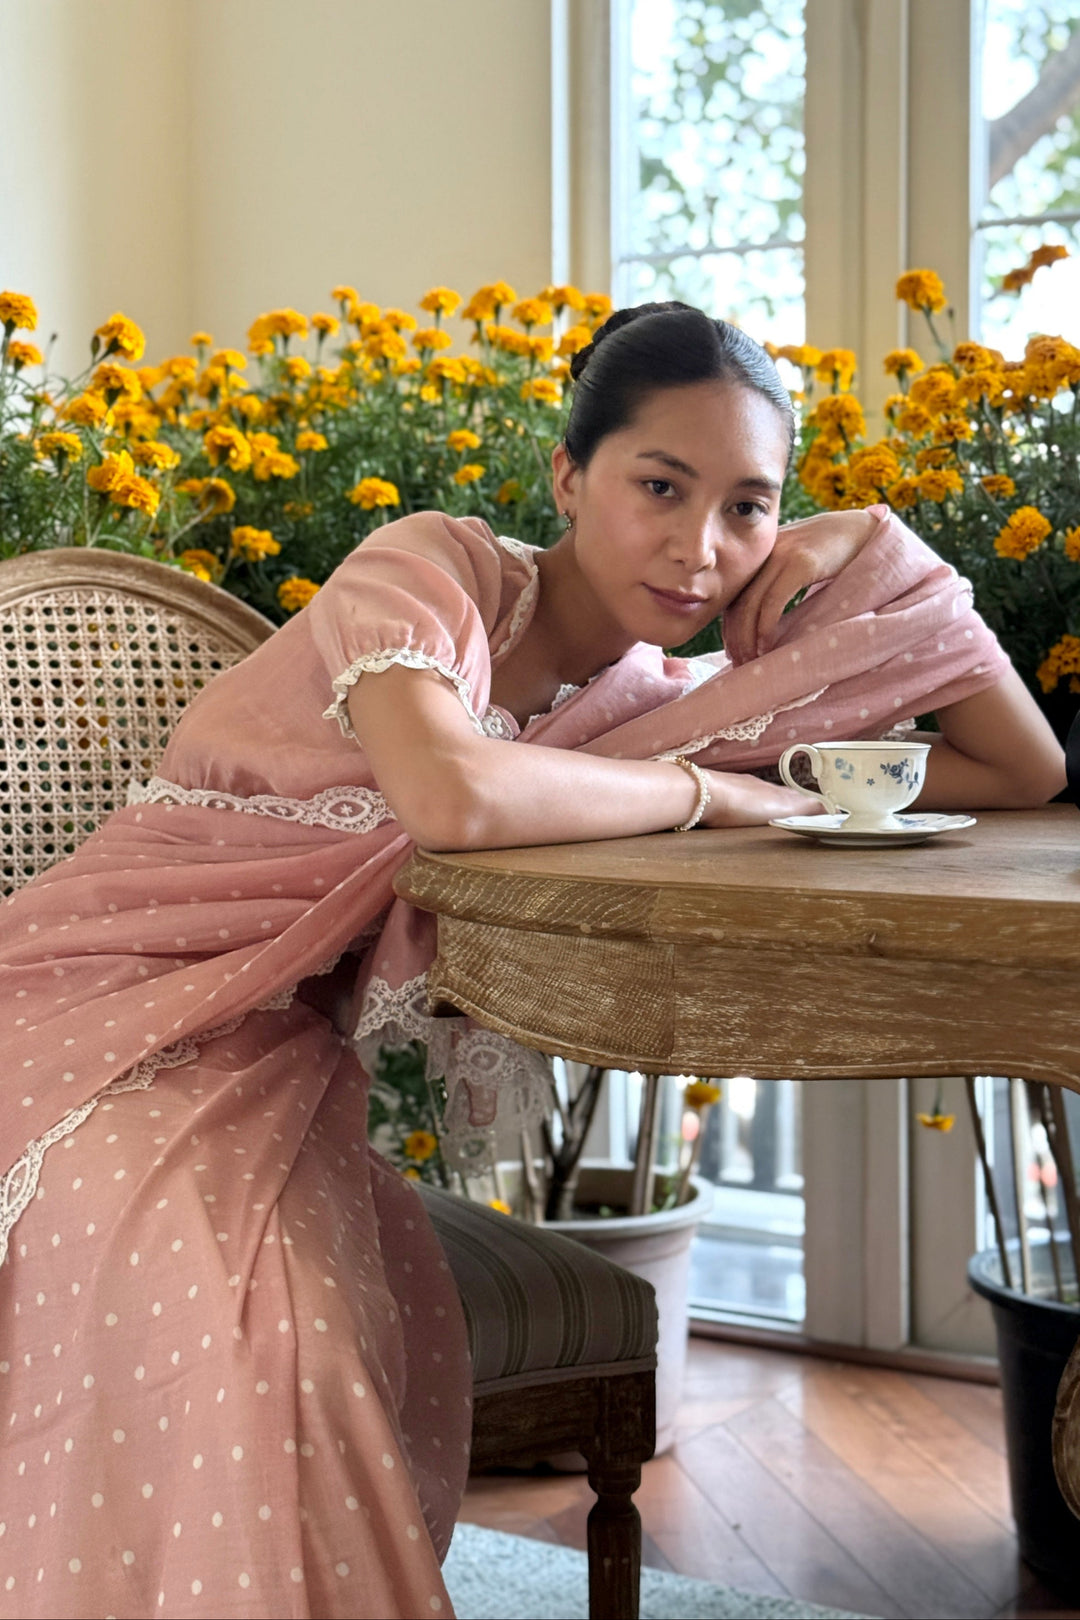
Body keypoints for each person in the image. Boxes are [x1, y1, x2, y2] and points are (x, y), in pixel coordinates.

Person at [0, 303, 1065, 1620]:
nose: (702, 551)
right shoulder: (431, 571)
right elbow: (450, 794)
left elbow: (1020, 769)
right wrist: (708, 798)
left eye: (750, 508)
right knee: (261, 1337)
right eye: (660, 488)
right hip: (81, 1001)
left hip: (262, 1054)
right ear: (568, 476)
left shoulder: (656, 704)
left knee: (300, 1343)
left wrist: (880, 547)